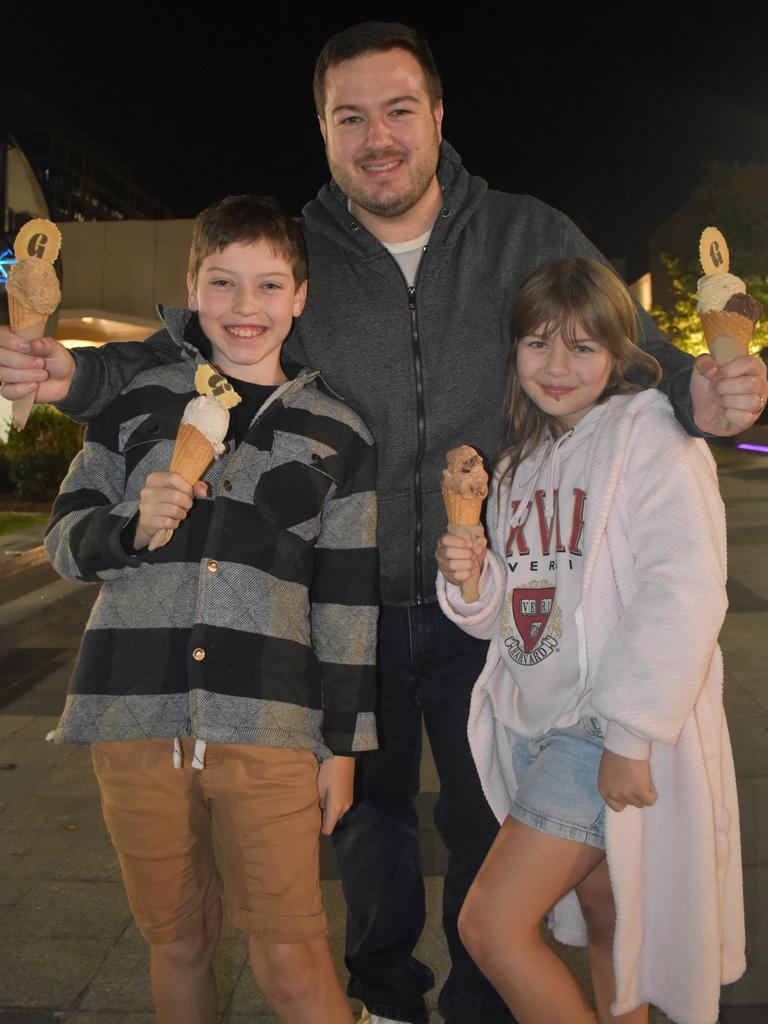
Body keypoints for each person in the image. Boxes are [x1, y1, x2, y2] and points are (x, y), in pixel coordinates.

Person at [1, 22, 765, 1024]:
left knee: (489, 814)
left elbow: (617, 343)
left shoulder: (523, 232)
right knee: (366, 823)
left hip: (480, 592)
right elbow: (190, 341)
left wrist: (700, 400)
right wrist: (75, 374)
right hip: (351, 590)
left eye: (398, 110)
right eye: (349, 116)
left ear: (438, 117)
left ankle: (485, 1008)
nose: (378, 136)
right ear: (323, 133)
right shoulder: (301, 249)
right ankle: (390, 999)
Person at [43, 194, 379, 1024]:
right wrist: (127, 527)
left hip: (267, 724)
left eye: (268, 286)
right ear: (194, 284)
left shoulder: (339, 429)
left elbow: (346, 602)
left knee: (292, 952)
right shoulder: (133, 402)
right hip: (134, 716)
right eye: (223, 283)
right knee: (179, 940)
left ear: (299, 297)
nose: (244, 308)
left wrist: (343, 748)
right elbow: (63, 539)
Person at [435, 258, 744, 1024]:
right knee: (612, 929)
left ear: (616, 353)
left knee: (490, 925)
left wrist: (631, 734)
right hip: (535, 728)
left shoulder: (655, 436)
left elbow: (686, 586)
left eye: (582, 347)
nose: (558, 366)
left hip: (599, 730)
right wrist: (473, 579)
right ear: (514, 353)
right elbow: (514, 611)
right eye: (539, 344)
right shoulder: (516, 468)